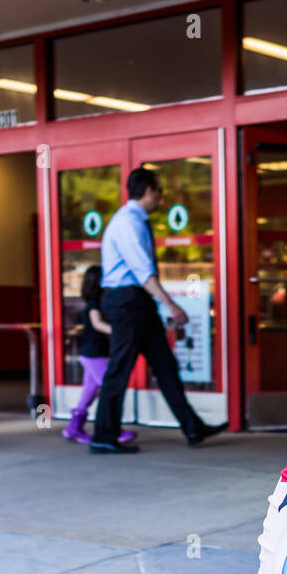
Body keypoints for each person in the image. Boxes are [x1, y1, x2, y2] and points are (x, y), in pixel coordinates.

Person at [90, 166, 226, 454]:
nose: (161, 198)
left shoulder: (133, 220)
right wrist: (171, 304)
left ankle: (193, 428)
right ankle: (103, 435)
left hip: (136, 302)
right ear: (149, 191)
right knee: (119, 369)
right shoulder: (129, 222)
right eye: (160, 191)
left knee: (165, 365)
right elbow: (142, 271)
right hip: (128, 301)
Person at [62, 265, 136, 445]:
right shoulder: (94, 304)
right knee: (110, 388)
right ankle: (111, 430)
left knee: (90, 390)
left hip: (91, 354)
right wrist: (117, 332)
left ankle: (73, 428)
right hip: (93, 354)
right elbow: (97, 324)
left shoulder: (98, 302)